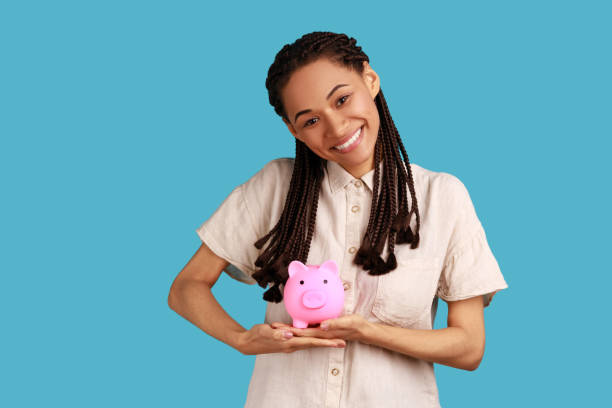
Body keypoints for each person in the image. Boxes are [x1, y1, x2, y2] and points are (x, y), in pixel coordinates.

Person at [168, 31, 508, 408]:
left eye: (342, 99)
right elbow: (187, 287)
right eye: (311, 120)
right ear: (293, 130)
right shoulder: (275, 187)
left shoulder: (441, 197)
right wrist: (242, 339)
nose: (336, 127)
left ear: (370, 80)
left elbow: (469, 347)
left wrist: (369, 332)